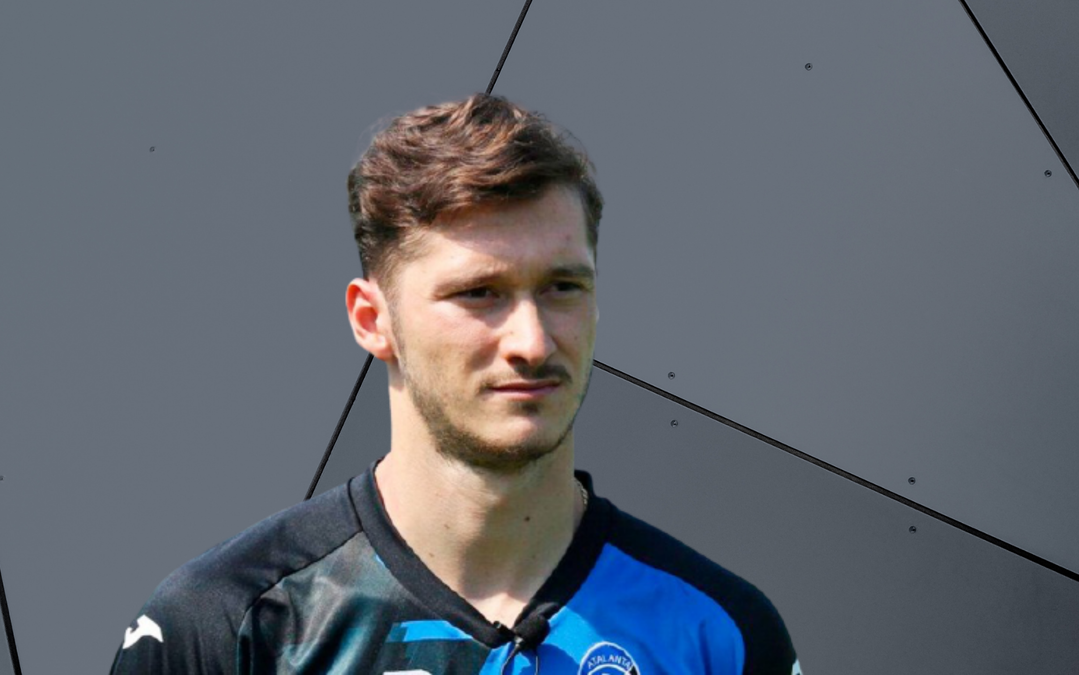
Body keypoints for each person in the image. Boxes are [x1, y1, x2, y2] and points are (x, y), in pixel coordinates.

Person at [108, 93, 801, 675]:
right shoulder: (228, 626)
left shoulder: (721, 636)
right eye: (479, 293)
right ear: (373, 320)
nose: (532, 341)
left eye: (563, 287)